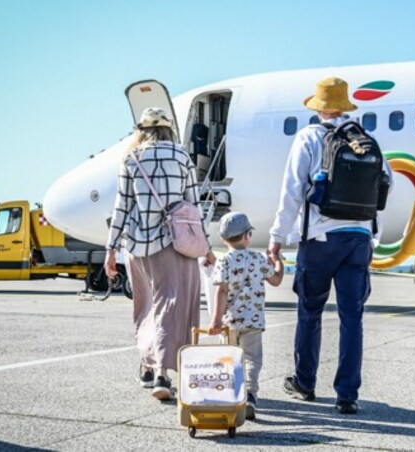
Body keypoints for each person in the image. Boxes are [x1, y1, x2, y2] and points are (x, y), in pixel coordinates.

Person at [269, 76, 392, 415]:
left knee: (310, 311)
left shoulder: (309, 137)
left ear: (319, 108)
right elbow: (386, 186)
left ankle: (305, 383)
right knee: (353, 317)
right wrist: (371, 234)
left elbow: (292, 191)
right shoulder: (367, 140)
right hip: (359, 240)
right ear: (345, 106)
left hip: (321, 239)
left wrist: (278, 237)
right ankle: (347, 394)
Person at [104, 107, 215, 401]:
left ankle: (147, 365)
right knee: (171, 307)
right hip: (175, 246)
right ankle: (163, 376)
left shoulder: (131, 159)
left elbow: (121, 208)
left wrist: (110, 249)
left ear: (142, 130)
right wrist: (208, 248)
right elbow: (193, 208)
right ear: (168, 129)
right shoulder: (181, 157)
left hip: (138, 247)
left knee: (145, 308)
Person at [209, 212, 284, 420]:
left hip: (230, 321)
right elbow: (276, 280)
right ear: (247, 236)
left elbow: (221, 291)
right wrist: (277, 261)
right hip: (253, 321)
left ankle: (231, 393)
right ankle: (250, 394)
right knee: (252, 359)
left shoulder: (222, 261)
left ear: (224, 239)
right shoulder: (258, 259)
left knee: (228, 358)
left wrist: (216, 319)